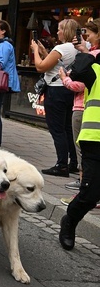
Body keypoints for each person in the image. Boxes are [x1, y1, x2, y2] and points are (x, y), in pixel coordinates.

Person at [57, 51, 100, 250]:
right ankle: (70, 221)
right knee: (90, 194)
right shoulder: (95, 72)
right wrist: (89, 51)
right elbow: (77, 70)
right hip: (95, 141)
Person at [32, 18, 79, 177]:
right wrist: (45, 52)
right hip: (69, 90)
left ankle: (61, 165)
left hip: (56, 90)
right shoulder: (79, 47)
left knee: (57, 129)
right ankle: (73, 162)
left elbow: (41, 67)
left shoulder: (61, 47)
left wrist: (35, 51)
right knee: (67, 128)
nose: (57, 32)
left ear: (65, 31)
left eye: (59, 29)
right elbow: (59, 65)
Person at [60, 20, 100, 191]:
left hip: (86, 110)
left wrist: (64, 79)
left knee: (85, 152)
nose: (87, 37)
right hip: (86, 108)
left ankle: (86, 187)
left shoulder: (95, 56)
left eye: (90, 33)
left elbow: (80, 83)